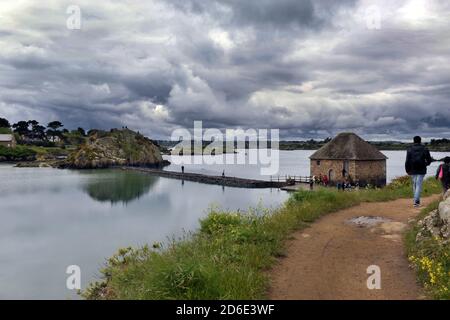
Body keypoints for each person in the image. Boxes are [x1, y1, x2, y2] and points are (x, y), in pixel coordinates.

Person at [405, 136, 434, 207]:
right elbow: (429, 159)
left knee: (415, 184)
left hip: (412, 169)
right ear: (420, 141)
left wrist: (407, 169)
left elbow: (407, 160)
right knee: (418, 185)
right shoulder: (425, 148)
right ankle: (416, 202)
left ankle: (416, 201)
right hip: (422, 169)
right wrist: (426, 164)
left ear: (413, 141)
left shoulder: (409, 149)